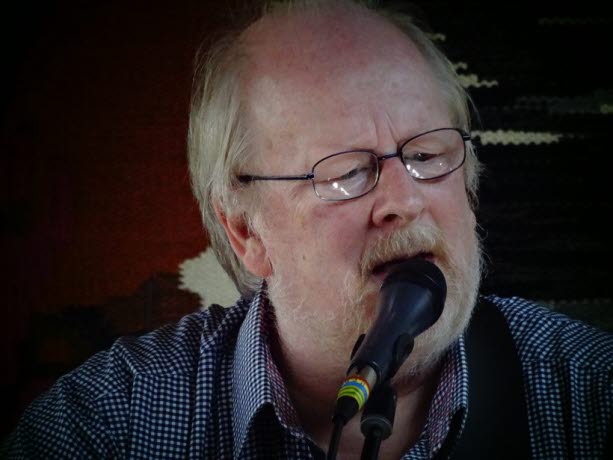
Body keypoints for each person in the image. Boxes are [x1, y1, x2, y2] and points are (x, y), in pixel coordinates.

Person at [3, 0, 612, 458]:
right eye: (347, 172)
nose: (404, 201)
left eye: (427, 156)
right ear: (246, 232)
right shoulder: (105, 426)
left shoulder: (593, 393)